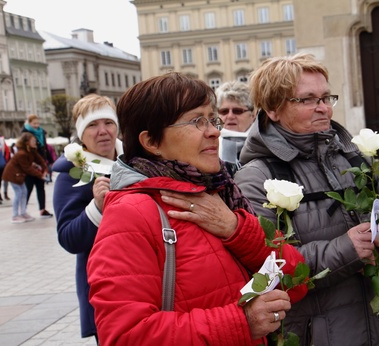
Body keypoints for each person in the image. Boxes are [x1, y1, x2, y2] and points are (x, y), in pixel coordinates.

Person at [87, 72, 308, 345]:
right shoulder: (132, 213)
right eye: (196, 121)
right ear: (151, 142)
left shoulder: (221, 193)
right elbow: (125, 336)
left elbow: (297, 281)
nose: (215, 130)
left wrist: (235, 229)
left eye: (212, 119)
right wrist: (243, 322)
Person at [233, 53, 379, 345]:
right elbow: (265, 270)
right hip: (319, 334)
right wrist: (347, 250)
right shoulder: (256, 177)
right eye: (308, 100)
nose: (323, 108)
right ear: (273, 109)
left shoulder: (356, 159)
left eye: (327, 97)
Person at [53, 94, 122, 343]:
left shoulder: (137, 162)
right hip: (106, 289)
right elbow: (68, 238)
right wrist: (97, 207)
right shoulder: (72, 174)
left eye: (108, 123)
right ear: (81, 134)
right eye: (92, 125)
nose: (103, 131)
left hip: (151, 281)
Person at [2, 133, 45, 223]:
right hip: (13, 175)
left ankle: (23, 212)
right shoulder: (22, 153)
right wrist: (40, 175)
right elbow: (27, 168)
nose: (35, 142)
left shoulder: (30, 151)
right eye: (33, 141)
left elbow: (39, 159)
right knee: (19, 193)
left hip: (19, 175)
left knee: (24, 192)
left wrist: (45, 168)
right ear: (27, 143)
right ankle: (15, 215)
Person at [215, 80, 256, 176]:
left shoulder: (263, 143)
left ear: (253, 115)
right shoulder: (210, 144)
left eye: (237, 111)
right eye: (224, 111)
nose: (230, 116)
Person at [21, 114, 54, 217]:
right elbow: (23, 149)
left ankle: (42, 209)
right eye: (34, 123)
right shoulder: (25, 134)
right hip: (31, 164)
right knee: (28, 188)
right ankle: (22, 210)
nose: (36, 125)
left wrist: (50, 160)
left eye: (37, 123)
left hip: (41, 162)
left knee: (41, 187)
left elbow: (45, 147)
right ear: (29, 123)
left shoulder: (41, 132)